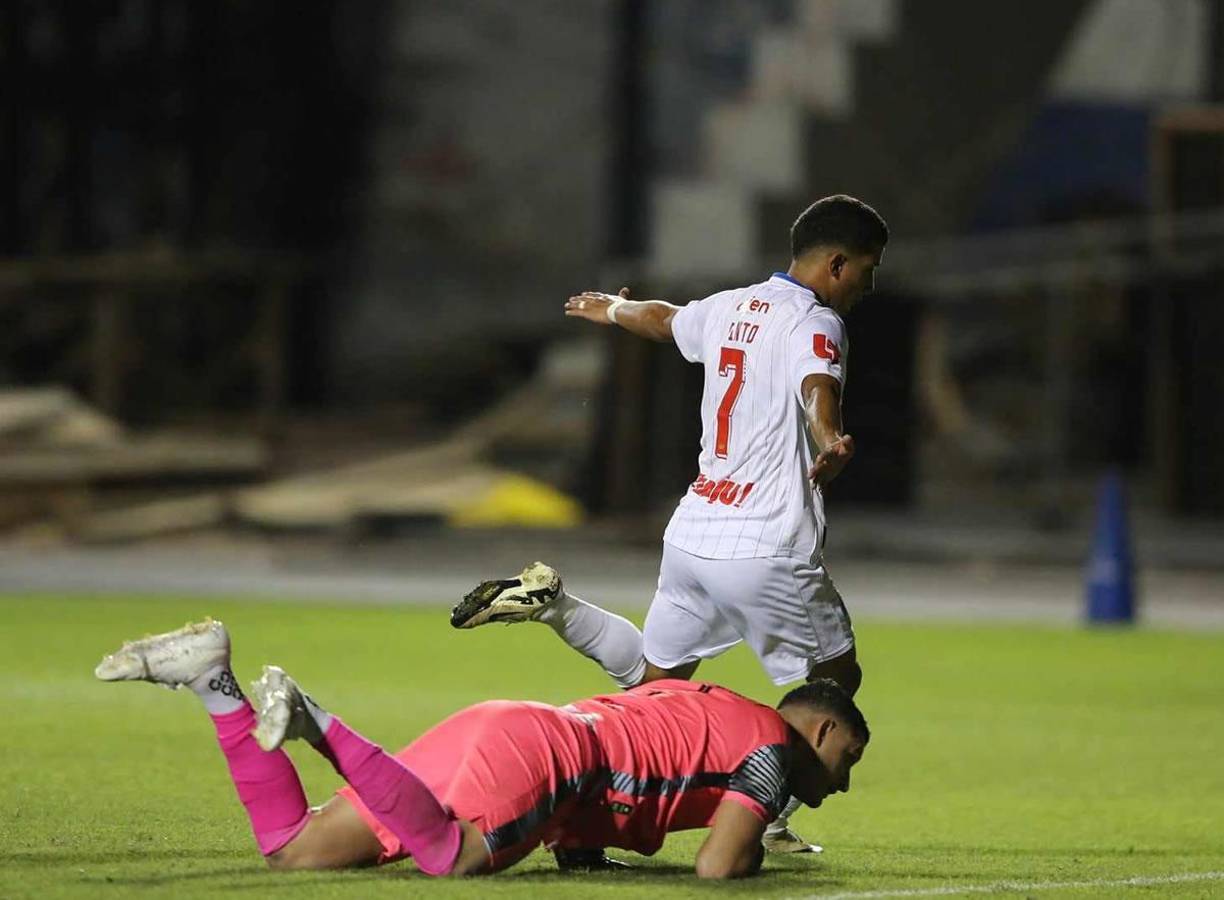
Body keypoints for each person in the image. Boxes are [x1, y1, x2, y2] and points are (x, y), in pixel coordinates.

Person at [451, 194, 887, 854]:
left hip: (695, 530)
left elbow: (666, 320)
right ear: (834, 264)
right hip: (763, 541)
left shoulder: (730, 306)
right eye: (866, 268)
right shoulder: (816, 320)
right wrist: (831, 438)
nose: (868, 284)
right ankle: (768, 810)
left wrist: (615, 309)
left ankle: (559, 607)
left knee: (655, 685)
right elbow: (816, 386)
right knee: (835, 682)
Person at [94, 618, 868, 878]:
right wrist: (759, 855)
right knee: (456, 858)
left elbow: (629, 775)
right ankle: (317, 724)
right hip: (545, 757)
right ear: (823, 731)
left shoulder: (707, 701)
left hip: (509, 729)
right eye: (846, 764)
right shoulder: (768, 751)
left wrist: (584, 845)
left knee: (294, 851)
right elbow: (719, 865)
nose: (839, 785)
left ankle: (211, 680)